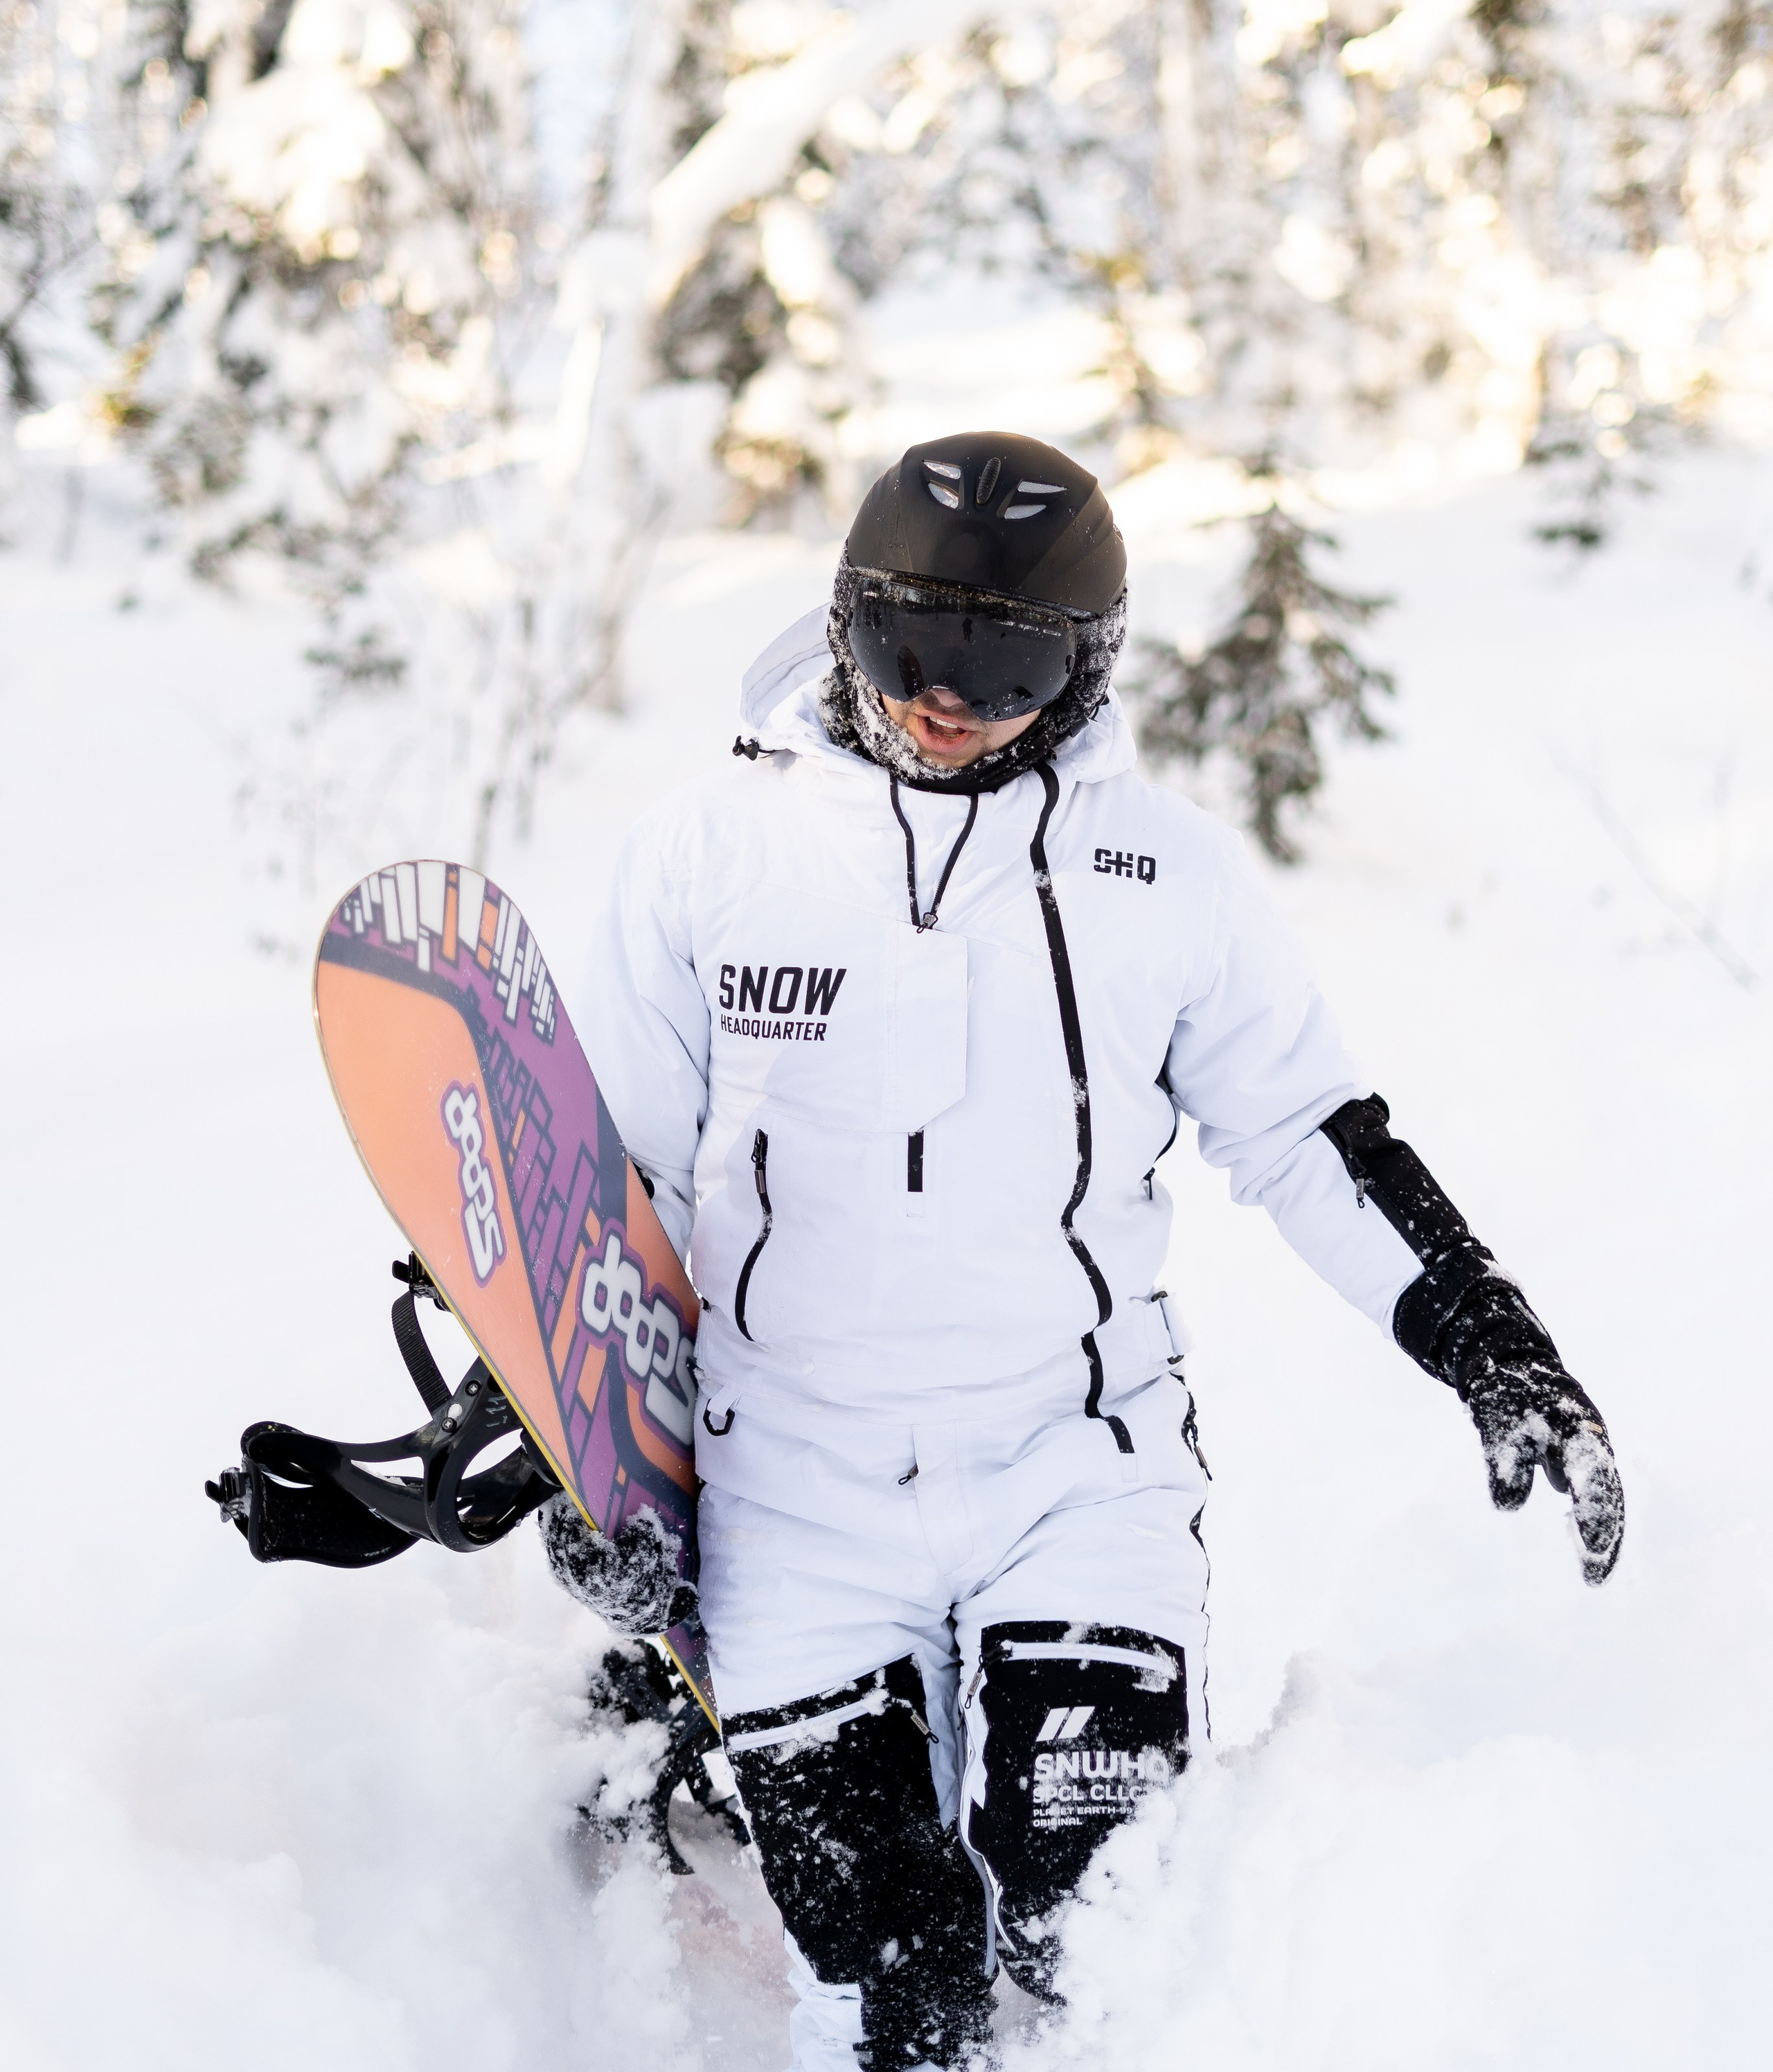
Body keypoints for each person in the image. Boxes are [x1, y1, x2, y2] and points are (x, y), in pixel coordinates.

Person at [544, 430, 1623, 2072]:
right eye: (908, 644)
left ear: (1086, 665)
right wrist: (577, 1474)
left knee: (1084, 1918)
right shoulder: (708, 858)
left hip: (1076, 1470)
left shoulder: (1161, 877)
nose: (944, 700)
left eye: (1001, 660)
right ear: (845, 624)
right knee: (900, 1977)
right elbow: (604, 1194)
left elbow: (1310, 1134)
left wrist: (1488, 1339)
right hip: (796, 1496)